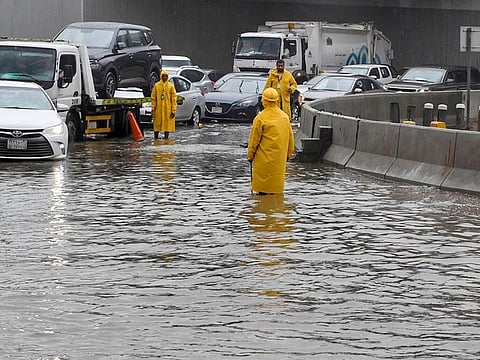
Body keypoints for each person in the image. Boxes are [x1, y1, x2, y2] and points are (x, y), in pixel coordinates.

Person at [247, 87, 295, 195]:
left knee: (262, 195)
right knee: (276, 195)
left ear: (264, 101)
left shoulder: (260, 118)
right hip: (279, 164)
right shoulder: (285, 117)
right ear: (277, 100)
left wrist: (250, 156)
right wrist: (287, 156)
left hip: (263, 164)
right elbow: (291, 141)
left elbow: (253, 142)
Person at [151, 70, 176, 139]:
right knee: (157, 125)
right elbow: (153, 97)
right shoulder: (157, 86)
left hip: (167, 109)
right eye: (163, 76)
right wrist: (153, 108)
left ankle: (166, 138)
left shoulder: (171, 86)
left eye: (166, 76)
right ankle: (156, 139)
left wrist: (173, 110)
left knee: (167, 125)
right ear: (161, 76)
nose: (164, 77)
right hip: (158, 109)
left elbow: (173, 99)